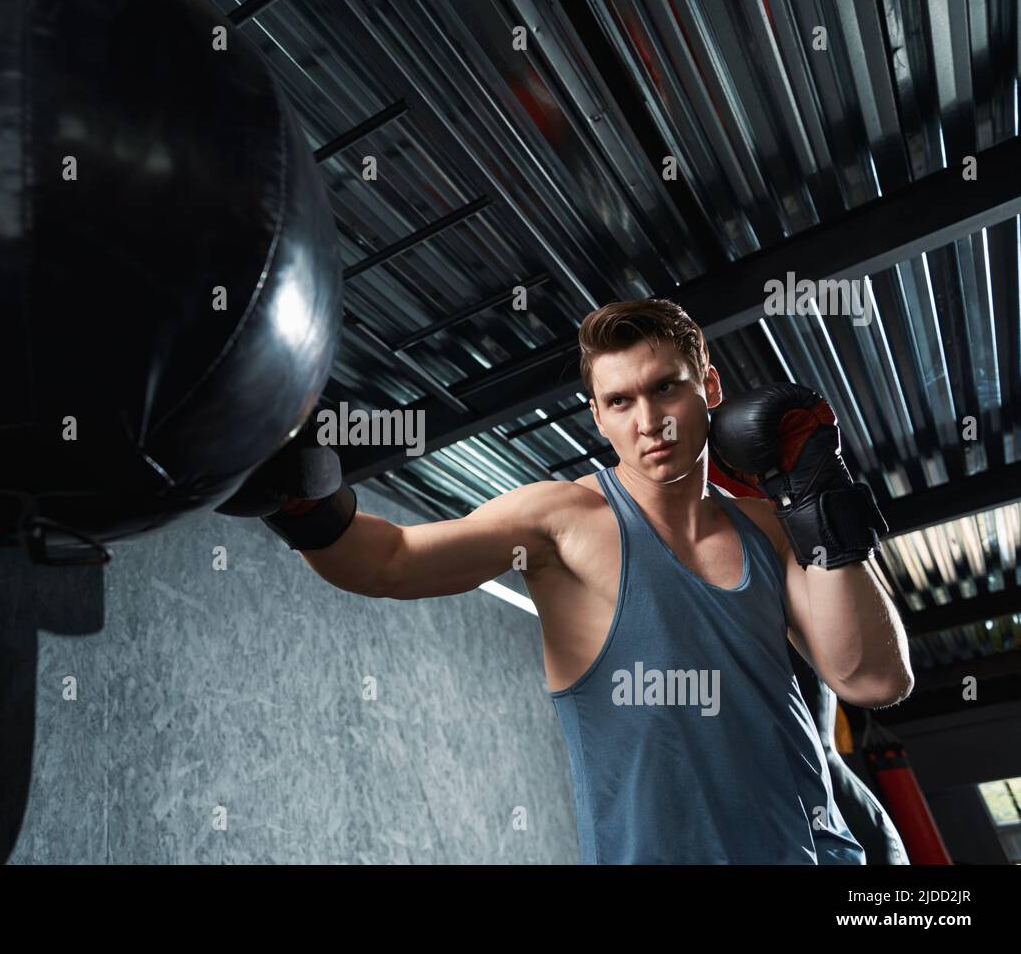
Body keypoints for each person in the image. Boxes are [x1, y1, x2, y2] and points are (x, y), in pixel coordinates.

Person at [221, 297, 913, 864]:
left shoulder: (771, 526)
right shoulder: (561, 520)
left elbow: (875, 679)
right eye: (620, 401)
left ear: (709, 387)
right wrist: (303, 501)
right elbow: (390, 559)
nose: (648, 424)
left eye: (666, 387)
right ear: (598, 415)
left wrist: (819, 497)